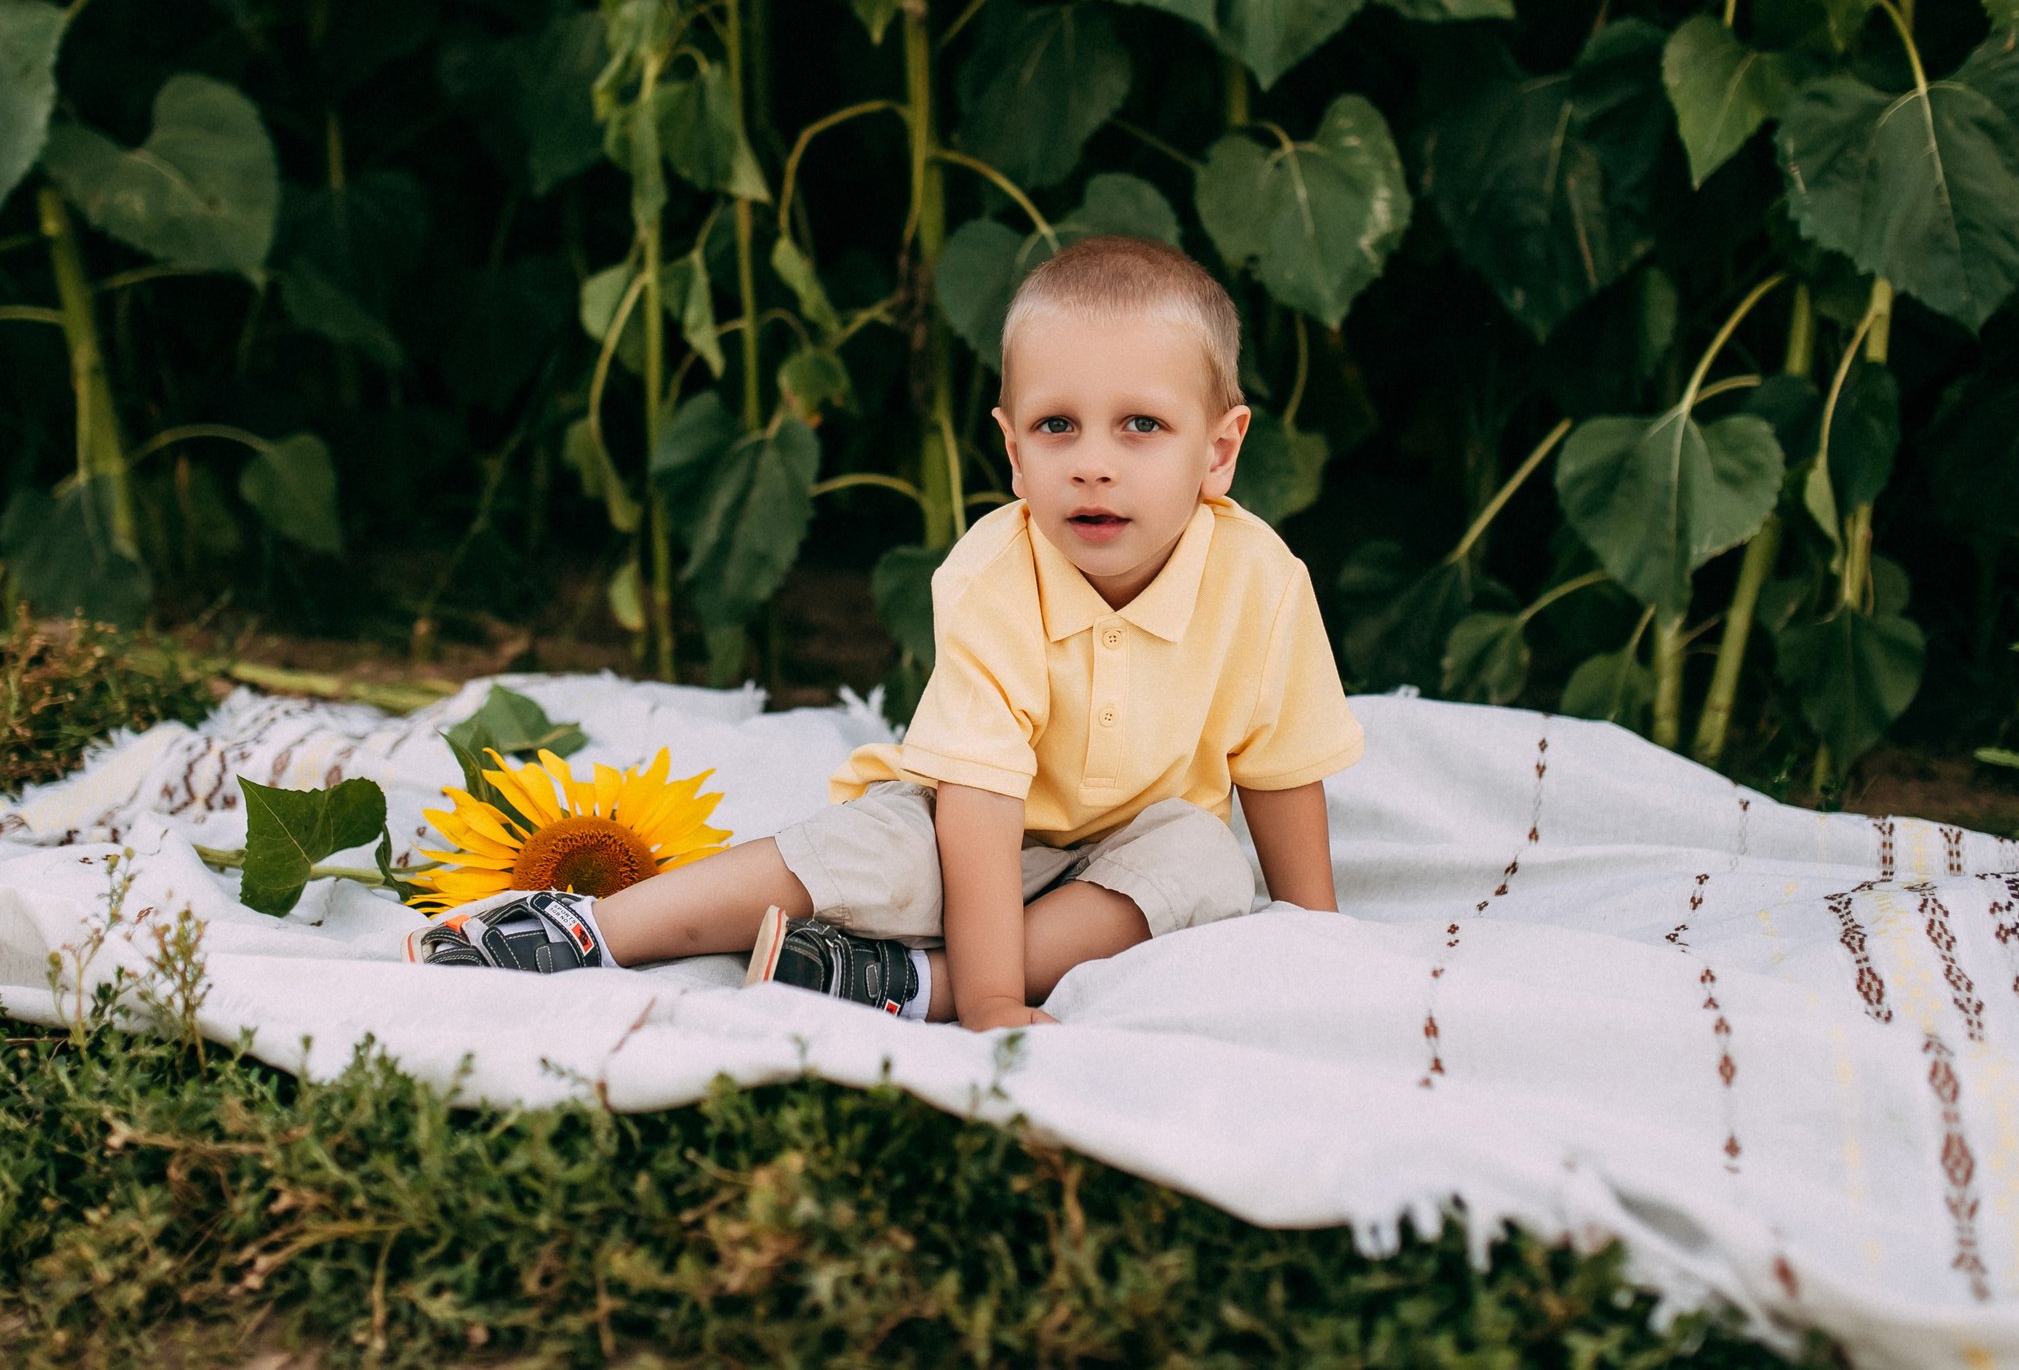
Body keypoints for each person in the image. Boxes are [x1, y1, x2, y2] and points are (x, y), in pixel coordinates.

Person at [409, 235, 1363, 1029]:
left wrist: (1315, 934)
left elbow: (1280, 766)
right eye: (1057, 426)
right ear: (1013, 450)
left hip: (1127, 851)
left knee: (1208, 866)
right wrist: (994, 1004)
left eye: (1141, 425)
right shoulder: (995, 577)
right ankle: (599, 927)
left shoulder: (1263, 582)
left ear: (1219, 451)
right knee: (867, 857)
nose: (1093, 464)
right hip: (962, 827)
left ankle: (907, 983)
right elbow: (977, 808)